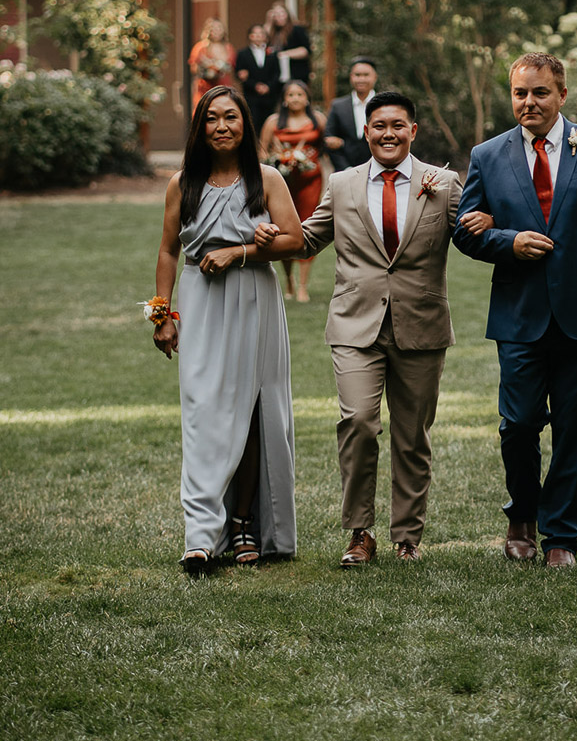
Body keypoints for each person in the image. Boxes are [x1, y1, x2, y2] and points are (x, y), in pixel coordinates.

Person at [453, 52, 577, 568]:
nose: (529, 103)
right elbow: (465, 231)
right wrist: (507, 241)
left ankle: (561, 536)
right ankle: (521, 513)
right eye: (520, 93)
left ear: (561, 95)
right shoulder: (488, 155)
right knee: (516, 424)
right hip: (519, 311)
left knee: (573, 427)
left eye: (540, 93)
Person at [256, 91, 462, 567]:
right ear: (366, 132)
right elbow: (308, 239)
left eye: (398, 125)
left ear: (413, 130)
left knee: (412, 435)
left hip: (421, 325)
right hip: (354, 325)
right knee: (359, 423)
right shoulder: (344, 184)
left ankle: (407, 536)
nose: (388, 133)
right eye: (379, 126)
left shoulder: (444, 182)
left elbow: (472, 236)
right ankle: (359, 533)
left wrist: (488, 225)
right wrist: (271, 234)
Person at [151, 85, 303, 574]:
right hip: (199, 301)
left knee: (255, 412)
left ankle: (242, 525)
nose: (222, 126)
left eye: (231, 117)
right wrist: (162, 316)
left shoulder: (268, 179)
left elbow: (296, 241)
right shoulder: (182, 183)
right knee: (202, 413)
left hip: (254, 299)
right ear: (201, 126)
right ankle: (200, 536)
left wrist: (244, 251)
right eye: (213, 118)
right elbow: (169, 251)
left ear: (245, 124)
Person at [259, 80, 328, 304]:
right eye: (291, 95)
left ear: (307, 98)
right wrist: (278, 160)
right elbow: (263, 150)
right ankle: (288, 278)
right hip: (283, 183)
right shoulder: (273, 121)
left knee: (308, 228)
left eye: (300, 94)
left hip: (311, 181)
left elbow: (325, 146)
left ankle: (303, 286)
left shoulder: (318, 119)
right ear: (285, 99)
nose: (295, 98)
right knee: (283, 228)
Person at [324, 57, 378, 171]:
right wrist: (346, 169)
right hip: (344, 172)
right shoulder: (338, 106)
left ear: (375, 77)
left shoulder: (385, 105)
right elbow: (329, 139)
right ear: (351, 77)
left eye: (366, 75)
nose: (361, 79)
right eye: (357, 75)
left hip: (379, 171)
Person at [235, 23, 281, 134]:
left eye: (261, 34)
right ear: (250, 36)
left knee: (269, 123)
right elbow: (239, 74)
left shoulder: (272, 53)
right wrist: (255, 86)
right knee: (253, 123)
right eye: (255, 34)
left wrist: (268, 87)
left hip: (269, 96)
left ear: (265, 36)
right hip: (252, 95)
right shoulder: (243, 54)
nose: (258, 36)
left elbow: (277, 73)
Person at [188, 16, 236, 112]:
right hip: (205, 88)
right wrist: (207, 69)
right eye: (213, 28)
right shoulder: (201, 47)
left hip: (223, 86)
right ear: (208, 30)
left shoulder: (228, 48)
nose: (216, 31)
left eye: (219, 28)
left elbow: (231, 66)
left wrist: (214, 64)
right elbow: (194, 67)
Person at [264, 1, 311, 86]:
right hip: (278, 77)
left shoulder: (297, 29)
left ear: (287, 14)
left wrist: (284, 54)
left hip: (296, 73)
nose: (279, 17)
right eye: (276, 15)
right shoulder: (274, 33)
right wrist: (268, 22)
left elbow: (305, 51)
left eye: (282, 13)